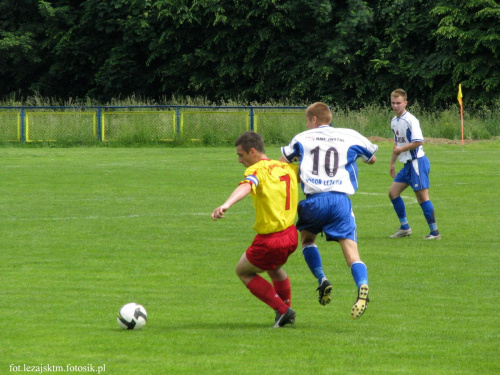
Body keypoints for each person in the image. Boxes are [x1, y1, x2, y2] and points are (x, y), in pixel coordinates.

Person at [280, 102, 378, 319]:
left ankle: (322, 279)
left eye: (307, 121)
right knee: (352, 254)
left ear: (314, 120)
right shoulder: (350, 135)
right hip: (340, 201)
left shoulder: (302, 138)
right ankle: (362, 285)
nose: (306, 125)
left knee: (307, 241)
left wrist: (301, 163)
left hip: (313, 201)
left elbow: (282, 163)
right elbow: (371, 158)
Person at [211, 131, 299, 328]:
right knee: (274, 268)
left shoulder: (258, 170)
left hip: (271, 239)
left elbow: (247, 186)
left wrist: (226, 204)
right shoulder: (286, 168)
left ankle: (283, 310)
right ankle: (286, 311)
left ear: (253, 152)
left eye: (241, 155)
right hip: (291, 235)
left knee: (243, 271)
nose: (239, 161)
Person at [388, 89, 441, 240]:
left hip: (417, 163)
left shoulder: (411, 120)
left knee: (422, 198)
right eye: (393, 103)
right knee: (393, 193)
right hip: (406, 165)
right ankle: (405, 227)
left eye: (398, 103)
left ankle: (435, 232)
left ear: (405, 103)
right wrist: (392, 163)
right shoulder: (394, 121)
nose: (396, 106)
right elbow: (396, 144)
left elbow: (419, 141)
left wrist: (401, 149)